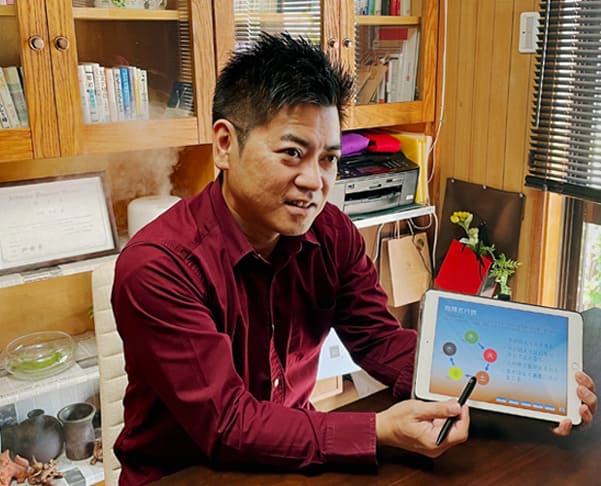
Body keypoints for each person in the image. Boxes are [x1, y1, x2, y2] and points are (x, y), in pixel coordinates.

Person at [111, 32, 597, 485]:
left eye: (328, 159)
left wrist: (526, 393)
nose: (315, 181)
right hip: (184, 474)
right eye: (292, 153)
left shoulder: (330, 233)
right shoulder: (158, 268)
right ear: (224, 145)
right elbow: (228, 423)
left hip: (287, 459)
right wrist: (377, 430)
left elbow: (379, 340)